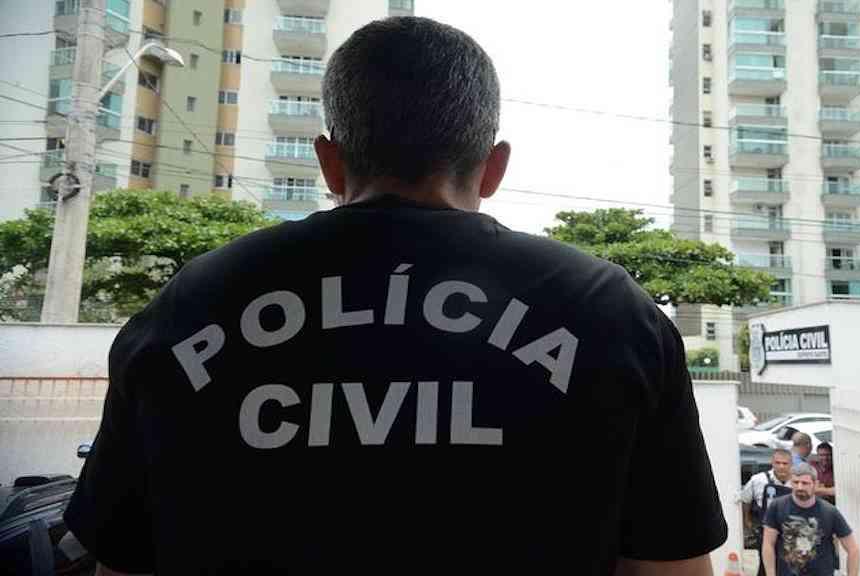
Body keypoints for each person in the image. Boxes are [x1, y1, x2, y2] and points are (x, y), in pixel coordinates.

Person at [63, 16, 727, 576]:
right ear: (494, 167)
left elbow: (123, 564)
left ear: (329, 162)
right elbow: (672, 567)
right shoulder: (608, 311)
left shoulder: (190, 305)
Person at [762, 464, 860, 576]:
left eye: (805, 483)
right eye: (795, 482)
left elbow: (853, 550)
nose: (799, 487)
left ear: (815, 484)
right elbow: (768, 544)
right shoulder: (777, 506)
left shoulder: (829, 512)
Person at [740, 449, 793, 576]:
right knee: (766, 565)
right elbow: (745, 500)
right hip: (765, 531)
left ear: (791, 464)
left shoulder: (797, 481)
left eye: (785, 463)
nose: (781, 466)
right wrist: (747, 519)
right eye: (778, 463)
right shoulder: (758, 480)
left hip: (790, 532)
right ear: (772, 463)